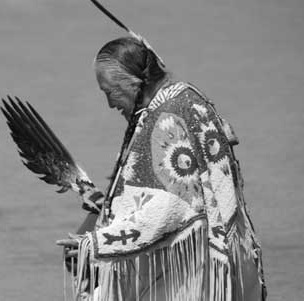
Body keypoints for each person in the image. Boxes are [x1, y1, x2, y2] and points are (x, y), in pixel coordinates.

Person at [56, 36, 267, 301]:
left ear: (134, 83)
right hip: (216, 260)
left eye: (110, 92)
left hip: (193, 272)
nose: (110, 104)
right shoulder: (185, 97)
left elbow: (170, 209)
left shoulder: (167, 119)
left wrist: (96, 244)